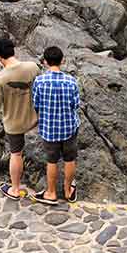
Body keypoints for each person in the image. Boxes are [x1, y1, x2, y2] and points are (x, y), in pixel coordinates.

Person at [0, 38, 40, 200]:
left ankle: (15, 189)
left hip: (14, 124)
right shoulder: (33, 67)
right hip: (35, 120)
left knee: (16, 154)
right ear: (13, 50)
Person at [31, 46, 80, 205]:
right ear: (62, 60)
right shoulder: (71, 81)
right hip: (69, 128)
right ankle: (67, 191)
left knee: (51, 161)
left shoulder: (39, 81)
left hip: (49, 129)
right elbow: (75, 104)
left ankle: (51, 193)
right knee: (69, 159)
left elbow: (36, 104)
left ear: (45, 62)